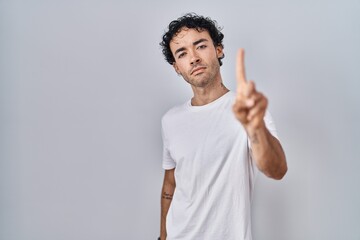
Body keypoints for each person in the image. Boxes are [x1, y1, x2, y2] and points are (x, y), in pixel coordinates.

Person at [158, 13, 287, 240]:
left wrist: (255, 128)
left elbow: (276, 170)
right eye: (182, 53)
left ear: (218, 50)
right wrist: (162, 237)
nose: (194, 58)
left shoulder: (248, 110)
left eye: (200, 46)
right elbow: (170, 185)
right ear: (176, 67)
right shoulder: (170, 120)